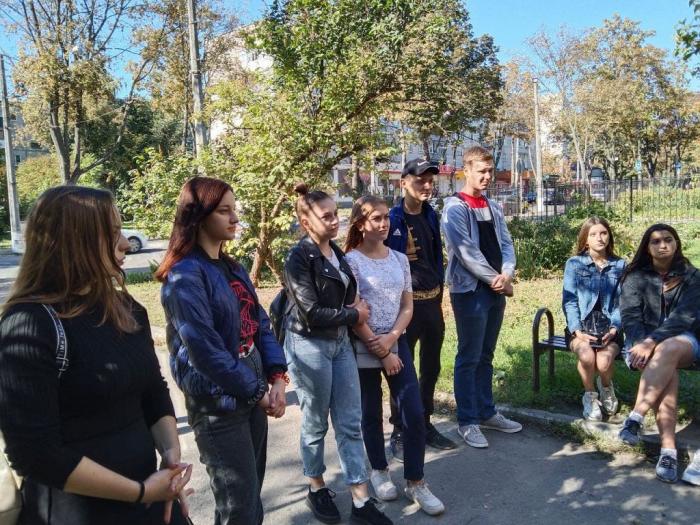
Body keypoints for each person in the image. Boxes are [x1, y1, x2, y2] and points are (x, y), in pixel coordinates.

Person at [0, 186, 192, 525]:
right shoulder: (30, 323)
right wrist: (140, 491)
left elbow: (153, 391)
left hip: (151, 499)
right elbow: (34, 452)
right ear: (74, 242)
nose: (125, 243)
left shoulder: (126, 308)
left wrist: (171, 461)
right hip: (77, 512)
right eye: (113, 232)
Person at [157, 177, 288, 524]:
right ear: (198, 216)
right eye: (224, 211)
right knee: (237, 507)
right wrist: (258, 391)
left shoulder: (233, 267)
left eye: (234, 209)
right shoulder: (184, 275)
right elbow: (204, 351)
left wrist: (277, 376)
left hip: (251, 392)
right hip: (218, 403)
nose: (234, 218)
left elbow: (259, 322)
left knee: (250, 500)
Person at [283, 183, 392, 525]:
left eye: (336, 215)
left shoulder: (336, 252)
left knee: (349, 423)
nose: (334, 221)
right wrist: (354, 314)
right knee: (315, 422)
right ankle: (316, 486)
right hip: (309, 346)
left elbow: (348, 294)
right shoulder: (299, 257)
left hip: (341, 344)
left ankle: (361, 500)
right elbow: (310, 312)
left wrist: (353, 311)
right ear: (306, 222)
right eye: (326, 216)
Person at [345, 195, 445, 516]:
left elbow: (407, 306)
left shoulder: (400, 259)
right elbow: (354, 311)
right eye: (376, 218)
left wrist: (390, 340)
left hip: (394, 342)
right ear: (361, 224)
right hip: (364, 344)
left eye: (386, 217)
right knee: (370, 412)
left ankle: (415, 481)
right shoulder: (351, 262)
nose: (384, 223)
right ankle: (379, 469)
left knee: (413, 412)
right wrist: (379, 346)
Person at [441, 145, 522, 449]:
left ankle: (487, 412)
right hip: (470, 291)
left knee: (486, 354)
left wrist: (507, 274)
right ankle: (467, 420)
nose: (487, 176)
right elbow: (466, 253)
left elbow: (506, 244)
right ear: (467, 171)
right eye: (481, 171)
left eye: (490, 171)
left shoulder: (494, 206)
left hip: (495, 290)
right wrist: (497, 281)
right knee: (469, 356)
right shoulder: (455, 208)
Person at [385, 159, 456, 460]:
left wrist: (439, 287)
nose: (427, 186)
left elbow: (435, 255)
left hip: (432, 303)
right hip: (404, 307)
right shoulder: (392, 219)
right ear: (403, 183)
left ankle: (425, 423)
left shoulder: (430, 214)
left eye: (430, 181)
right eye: (420, 180)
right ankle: (400, 429)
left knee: (431, 367)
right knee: (402, 369)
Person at [618, 224, 700, 484]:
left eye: (668, 239)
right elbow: (630, 316)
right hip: (639, 342)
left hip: (684, 340)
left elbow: (685, 317)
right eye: (655, 241)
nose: (663, 245)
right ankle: (668, 452)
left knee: (667, 349)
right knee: (665, 368)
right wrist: (641, 343)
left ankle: (636, 416)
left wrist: (652, 342)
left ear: (676, 244)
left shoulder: (692, 276)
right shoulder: (635, 277)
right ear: (647, 247)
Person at [562, 217, 625, 420]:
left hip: (610, 328)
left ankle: (606, 387)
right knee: (587, 356)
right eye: (593, 234)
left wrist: (614, 328)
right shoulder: (574, 264)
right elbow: (570, 300)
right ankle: (589, 395)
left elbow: (622, 302)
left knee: (604, 362)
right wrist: (577, 331)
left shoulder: (620, 265)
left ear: (609, 236)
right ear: (585, 239)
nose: (599, 238)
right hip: (581, 327)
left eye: (603, 233)